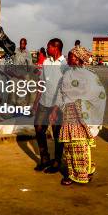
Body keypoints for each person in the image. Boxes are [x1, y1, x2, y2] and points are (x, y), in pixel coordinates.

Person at [55, 47, 106, 185]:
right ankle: (72, 173)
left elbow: (99, 95)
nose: (67, 58)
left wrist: (82, 103)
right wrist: (58, 108)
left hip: (83, 113)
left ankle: (85, 171)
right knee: (69, 144)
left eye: (70, 56)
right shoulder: (66, 74)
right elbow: (61, 93)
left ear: (78, 59)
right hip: (69, 112)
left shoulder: (90, 75)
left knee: (81, 144)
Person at [33, 38, 67, 173]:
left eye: (48, 47)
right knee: (38, 128)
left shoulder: (65, 64)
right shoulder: (46, 62)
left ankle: (57, 162)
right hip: (44, 102)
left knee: (57, 133)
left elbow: (65, 87)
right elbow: (41, 83)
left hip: (57, 104)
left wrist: (57, 107)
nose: (47, 49)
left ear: (56, 48)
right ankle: (44, 158)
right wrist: (35, 102)